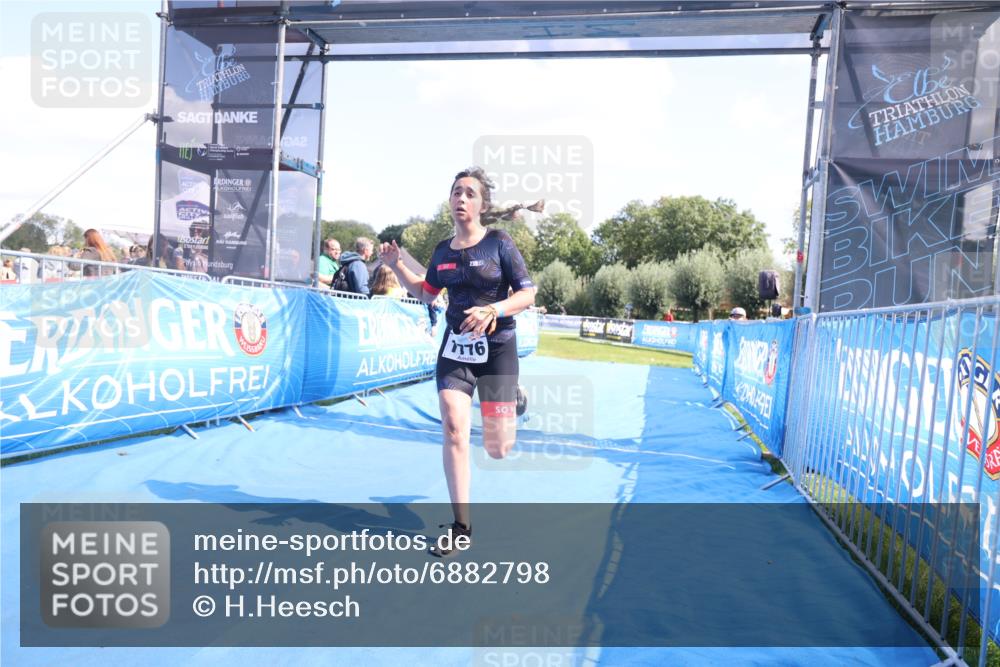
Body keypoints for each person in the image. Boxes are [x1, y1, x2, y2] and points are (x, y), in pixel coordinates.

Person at [379, 167, 536, 557]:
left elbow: (527, 294)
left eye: (469, 193)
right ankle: (461, 527)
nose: (461, 199)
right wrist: (398, 263)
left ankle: (514, 396)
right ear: (450, 201)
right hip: (456, 350)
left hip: (498, 349)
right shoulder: (442, 252)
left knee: (499, 448)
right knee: (453, 427)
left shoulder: (500, 243)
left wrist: (494, 310)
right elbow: (428, 294)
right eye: (456, 192)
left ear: (482, 205)